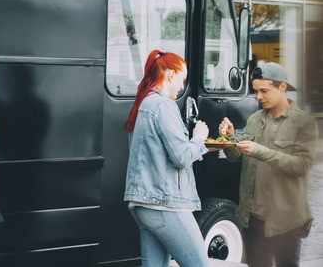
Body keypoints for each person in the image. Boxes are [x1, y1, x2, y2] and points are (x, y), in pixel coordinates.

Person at [219, 62, 318, 267]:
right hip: (253, 219)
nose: (258, 97)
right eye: (255, 91)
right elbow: (235, 157)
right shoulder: (254, 119)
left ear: (282, 87)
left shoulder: (303, 123)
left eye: (264, 91)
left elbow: (302, 165)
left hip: (286, 222)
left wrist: (260, 151)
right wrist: (229, 139)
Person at [123, 50, 209, 267]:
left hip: (143, 203)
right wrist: (199, 138)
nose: (182, 87)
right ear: (171, 75)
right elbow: (181, 157)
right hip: (165, 204)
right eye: (182, 79)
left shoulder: (143, 103)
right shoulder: (163, 106)